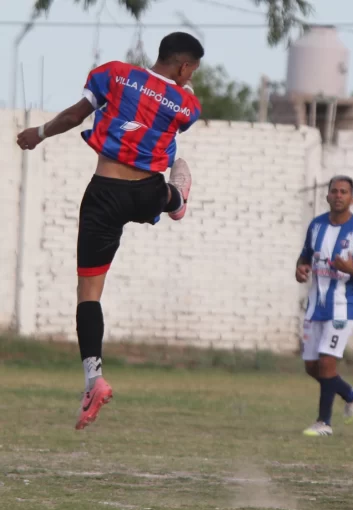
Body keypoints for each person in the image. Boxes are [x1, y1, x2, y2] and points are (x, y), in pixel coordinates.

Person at [15, 32, 204, 430]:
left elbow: (73, 117)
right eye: (192, 72)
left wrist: (39, 134)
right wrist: (181, 90)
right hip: (147, 190)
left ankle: (93, 379)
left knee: (88, 293)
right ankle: (175, 198)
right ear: (185, 67)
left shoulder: (114, 74)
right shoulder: (188, 104)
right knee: (162, 193)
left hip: (104, 193)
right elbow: (177, 112)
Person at [295, 175, 353, 437]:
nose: (338, 196)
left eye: (344, 192)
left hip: (344, 307)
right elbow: (305, 257)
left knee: (326, 364)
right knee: (312, 367)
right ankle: (350, 394)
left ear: (352, 199)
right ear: (327, 196)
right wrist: (301, 268)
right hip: (316, 306)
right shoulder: (316, 225)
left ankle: (324, 423)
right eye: (334, 191)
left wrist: (350, 269)